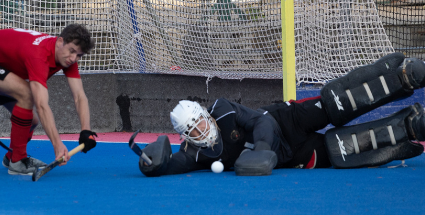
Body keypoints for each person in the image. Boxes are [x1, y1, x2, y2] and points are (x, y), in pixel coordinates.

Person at [137, 52, 425, 177]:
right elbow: (173, 165)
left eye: (200, 122)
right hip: (290, 155)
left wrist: (262, 149)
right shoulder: (194, 154)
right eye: (193, 131)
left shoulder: (223, 110)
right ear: (186, 136)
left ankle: (402, 76)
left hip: (286, 120)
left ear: (204, 113)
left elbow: (260, 121)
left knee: (335, 103)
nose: (201, 131)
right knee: (341, 151)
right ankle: (410, 126)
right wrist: (153, 164)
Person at [0, 24, 98, 175]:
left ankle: (12, 156)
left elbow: (79, 96)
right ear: (60, 41)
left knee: (31, 121)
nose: (73, 58)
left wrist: (86, 130)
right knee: (27, 93)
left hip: (4, 66)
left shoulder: (66, 56)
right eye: (72, 51)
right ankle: (17, 161)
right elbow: (41, 105)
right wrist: (57, 145)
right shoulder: (39, 55)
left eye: (79, 55)